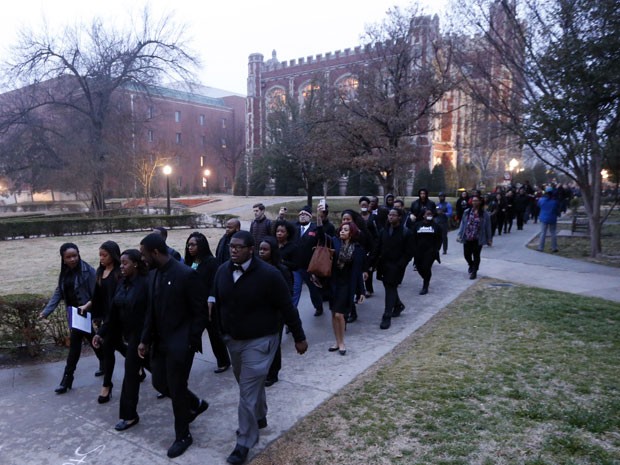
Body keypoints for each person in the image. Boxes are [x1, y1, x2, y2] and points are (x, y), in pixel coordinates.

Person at [210, 231, 308, 465]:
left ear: (250, 249)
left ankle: (245, 440)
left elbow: (287, 307)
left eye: (238, 247)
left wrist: (299, 336)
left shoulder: (270, 275)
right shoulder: (223, 270)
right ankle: (260, 416)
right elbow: (216, 299)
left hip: (261, 340)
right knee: (247, 384)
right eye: (231, 246)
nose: (233, 250)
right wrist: (221, 332)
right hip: (233, 340)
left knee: (246, 390)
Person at [138, 233, 208, 458]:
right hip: (159, 343)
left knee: (177, 390)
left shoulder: (186, 274)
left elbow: (200, 313)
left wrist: (190, 341)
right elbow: (151, 311)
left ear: (155, 252)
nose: (142, 259)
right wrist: (144, 339)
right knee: (159, 383)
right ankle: (195, 403)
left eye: (144, 254)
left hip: (180, 344)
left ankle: (183, 435)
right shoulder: (154, 275)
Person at [92, 249, 149, 432]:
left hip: (145, 337)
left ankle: (191, 402)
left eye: (125, 264)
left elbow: (151, 315)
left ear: (136, 264)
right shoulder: (122, 283)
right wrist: (101, 333)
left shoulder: (146, 284)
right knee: (132, 375)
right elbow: (113, 313)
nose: (121, 267)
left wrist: (145, 339)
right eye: (121, 263)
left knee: (163, 378)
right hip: (131, 337)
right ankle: (129, 415)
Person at [39, 243, 102, 394]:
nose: (73, 259)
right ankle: (105, 362)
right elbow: (58, 292)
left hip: (84, 312)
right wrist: (46, 312)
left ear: (79, 254)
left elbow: (98, 293)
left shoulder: (88, 271)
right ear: (63, 259)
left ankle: (67, 379)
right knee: (93, 339)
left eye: (75, 255)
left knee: (75, 346)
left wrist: (89, 308)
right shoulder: (65, 272)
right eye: (68, 257)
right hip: (73, 314)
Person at [318, 206, 366, 354]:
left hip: (346, 285)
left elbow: (357, 272)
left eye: (345, 229)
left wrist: (361, 291)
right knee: (333, 313)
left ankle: (342, 342)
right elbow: (321, 236)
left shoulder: (357, 249)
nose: (342, 231)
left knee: (339, 314)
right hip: (333, 283)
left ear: (351, 233)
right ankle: (337, 342)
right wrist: (319, 218)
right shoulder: (334, 242)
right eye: (341, 229)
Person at [184, 231, 231, 373]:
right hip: (194, 305)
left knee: (215, 335)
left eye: (193, 245)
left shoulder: (211, 262)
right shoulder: (191, 262)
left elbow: (215, 283)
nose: (189, 247)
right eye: (188, 244)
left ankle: (223, 361)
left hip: (209, 306)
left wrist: (211, 301)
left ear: (201, 245)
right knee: (191, 337)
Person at [91, 240, 125, 404]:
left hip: (116, 319)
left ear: (113, 255)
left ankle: (107, 385)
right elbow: (97, 297)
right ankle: (141, 364)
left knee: (108, 348)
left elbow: (117, 299)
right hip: (105, 318)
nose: (101, 258)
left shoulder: (119, 274)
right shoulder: (100, 272)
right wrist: (96, 317)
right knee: (120, 347)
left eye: (105, 255)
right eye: (100, 255)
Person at [370, 208, 414, 330]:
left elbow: (409, 252)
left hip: (396, 266)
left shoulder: (406, 233)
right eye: (389, 215)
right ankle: (398, 305)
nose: (391, 217)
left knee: (390, 288)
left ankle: (387, 315)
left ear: (399, 217)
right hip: (383, 265)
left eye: (394, 215)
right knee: (389, 286)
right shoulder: (384, 231)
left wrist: (401, 264)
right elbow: (377, 248)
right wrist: (370, 263)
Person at [258, 236, 294, 387]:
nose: (261, 252)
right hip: (259, 312)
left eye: (265, 249)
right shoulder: (256, 268)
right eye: (260, 249)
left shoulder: (282, 270)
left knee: (273, 343)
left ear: (272, 251)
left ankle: (273, 373)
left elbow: (287, 293)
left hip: (276, 313)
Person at [292, 206, 324, 316]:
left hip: (310, 267)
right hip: (296, 267)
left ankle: (318, 306)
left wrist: (319, 218)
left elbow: (322, 237)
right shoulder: (294, 228)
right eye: (300, 214)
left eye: (305, 214)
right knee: (295, 291)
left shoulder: (315, 228)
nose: (302, 216)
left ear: (310, 217)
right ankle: (291, 315)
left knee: (313, 290)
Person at [456, 195, 492, 279]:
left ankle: (474, 271)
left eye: (476, 200)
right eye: (473, 201)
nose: (474, 202)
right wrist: (459, 234)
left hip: (478, 238)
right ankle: (471, 265)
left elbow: (488, 227)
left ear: (480, 202)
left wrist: (489, 239)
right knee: (466, 255)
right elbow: (462, 224)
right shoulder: (467, 212)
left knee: (476, 255)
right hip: (467, 237)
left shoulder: (485, 214)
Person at [411, 210, 443, 295]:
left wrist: (436, 249)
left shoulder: (436, 226)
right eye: (427, 214)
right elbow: (413, 237)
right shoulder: (417, 225)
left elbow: (440, 238)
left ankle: (425, 286)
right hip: (418, 251)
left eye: (431, 214)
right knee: (419, 267)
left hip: (430, 252)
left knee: (426, 267)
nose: (429, 215)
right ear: (423, 216)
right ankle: (426, 278)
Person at [537, 186, 560, 253]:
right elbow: (557, 209)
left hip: (544, 218)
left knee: (543, 233)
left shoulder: (541, 200)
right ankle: (554, 247)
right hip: (552, 218)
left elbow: (538, 206)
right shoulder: (555, 201)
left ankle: (540, 248)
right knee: (553, 232)